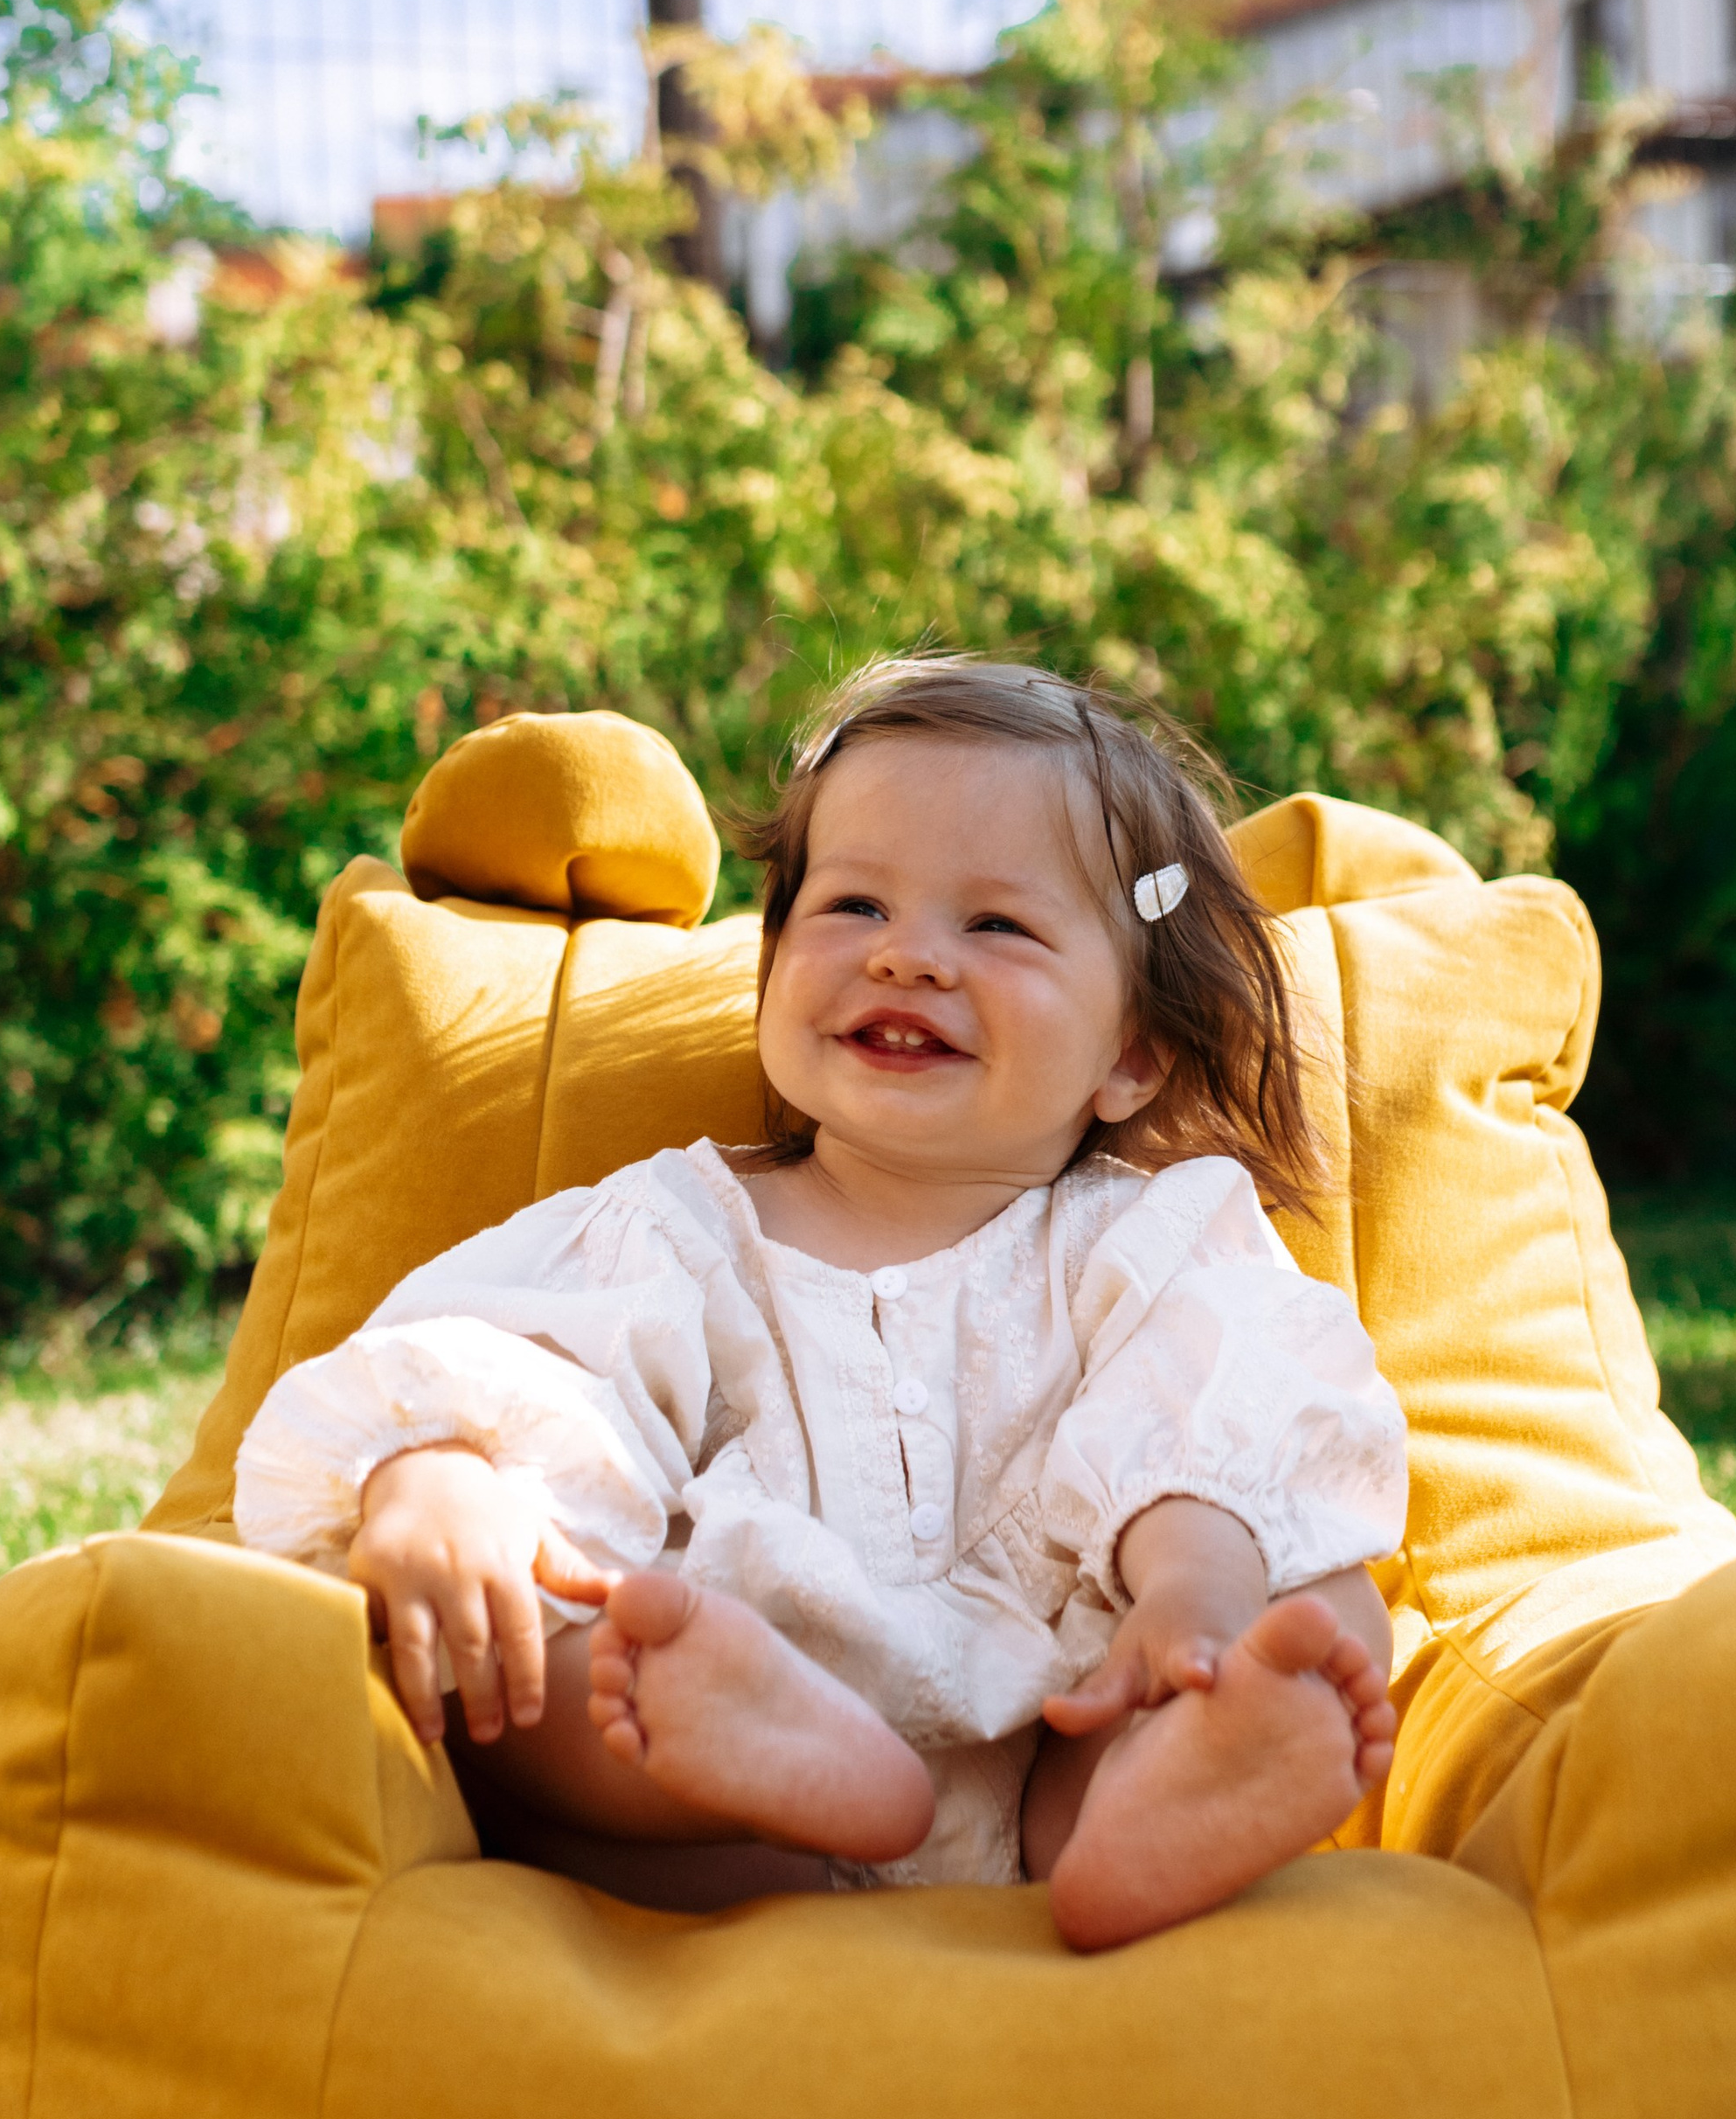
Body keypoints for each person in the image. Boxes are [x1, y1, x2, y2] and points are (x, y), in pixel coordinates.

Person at [235, 657, 1408, 1950]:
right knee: (496, 1651)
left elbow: (1225, 1400)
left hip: (1070, 1729)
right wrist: (441, 1481)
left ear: (1130, 1052)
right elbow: (529, 1365)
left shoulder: (1155, 1239)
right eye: (852, 905)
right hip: (720, 1775)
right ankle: (742, 1768)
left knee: (1315, 1600)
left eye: (998, 926)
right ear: (773, 968)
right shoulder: (677, 1228)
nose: (907, 958)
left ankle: (1158, 1803)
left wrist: (1197, 1601)